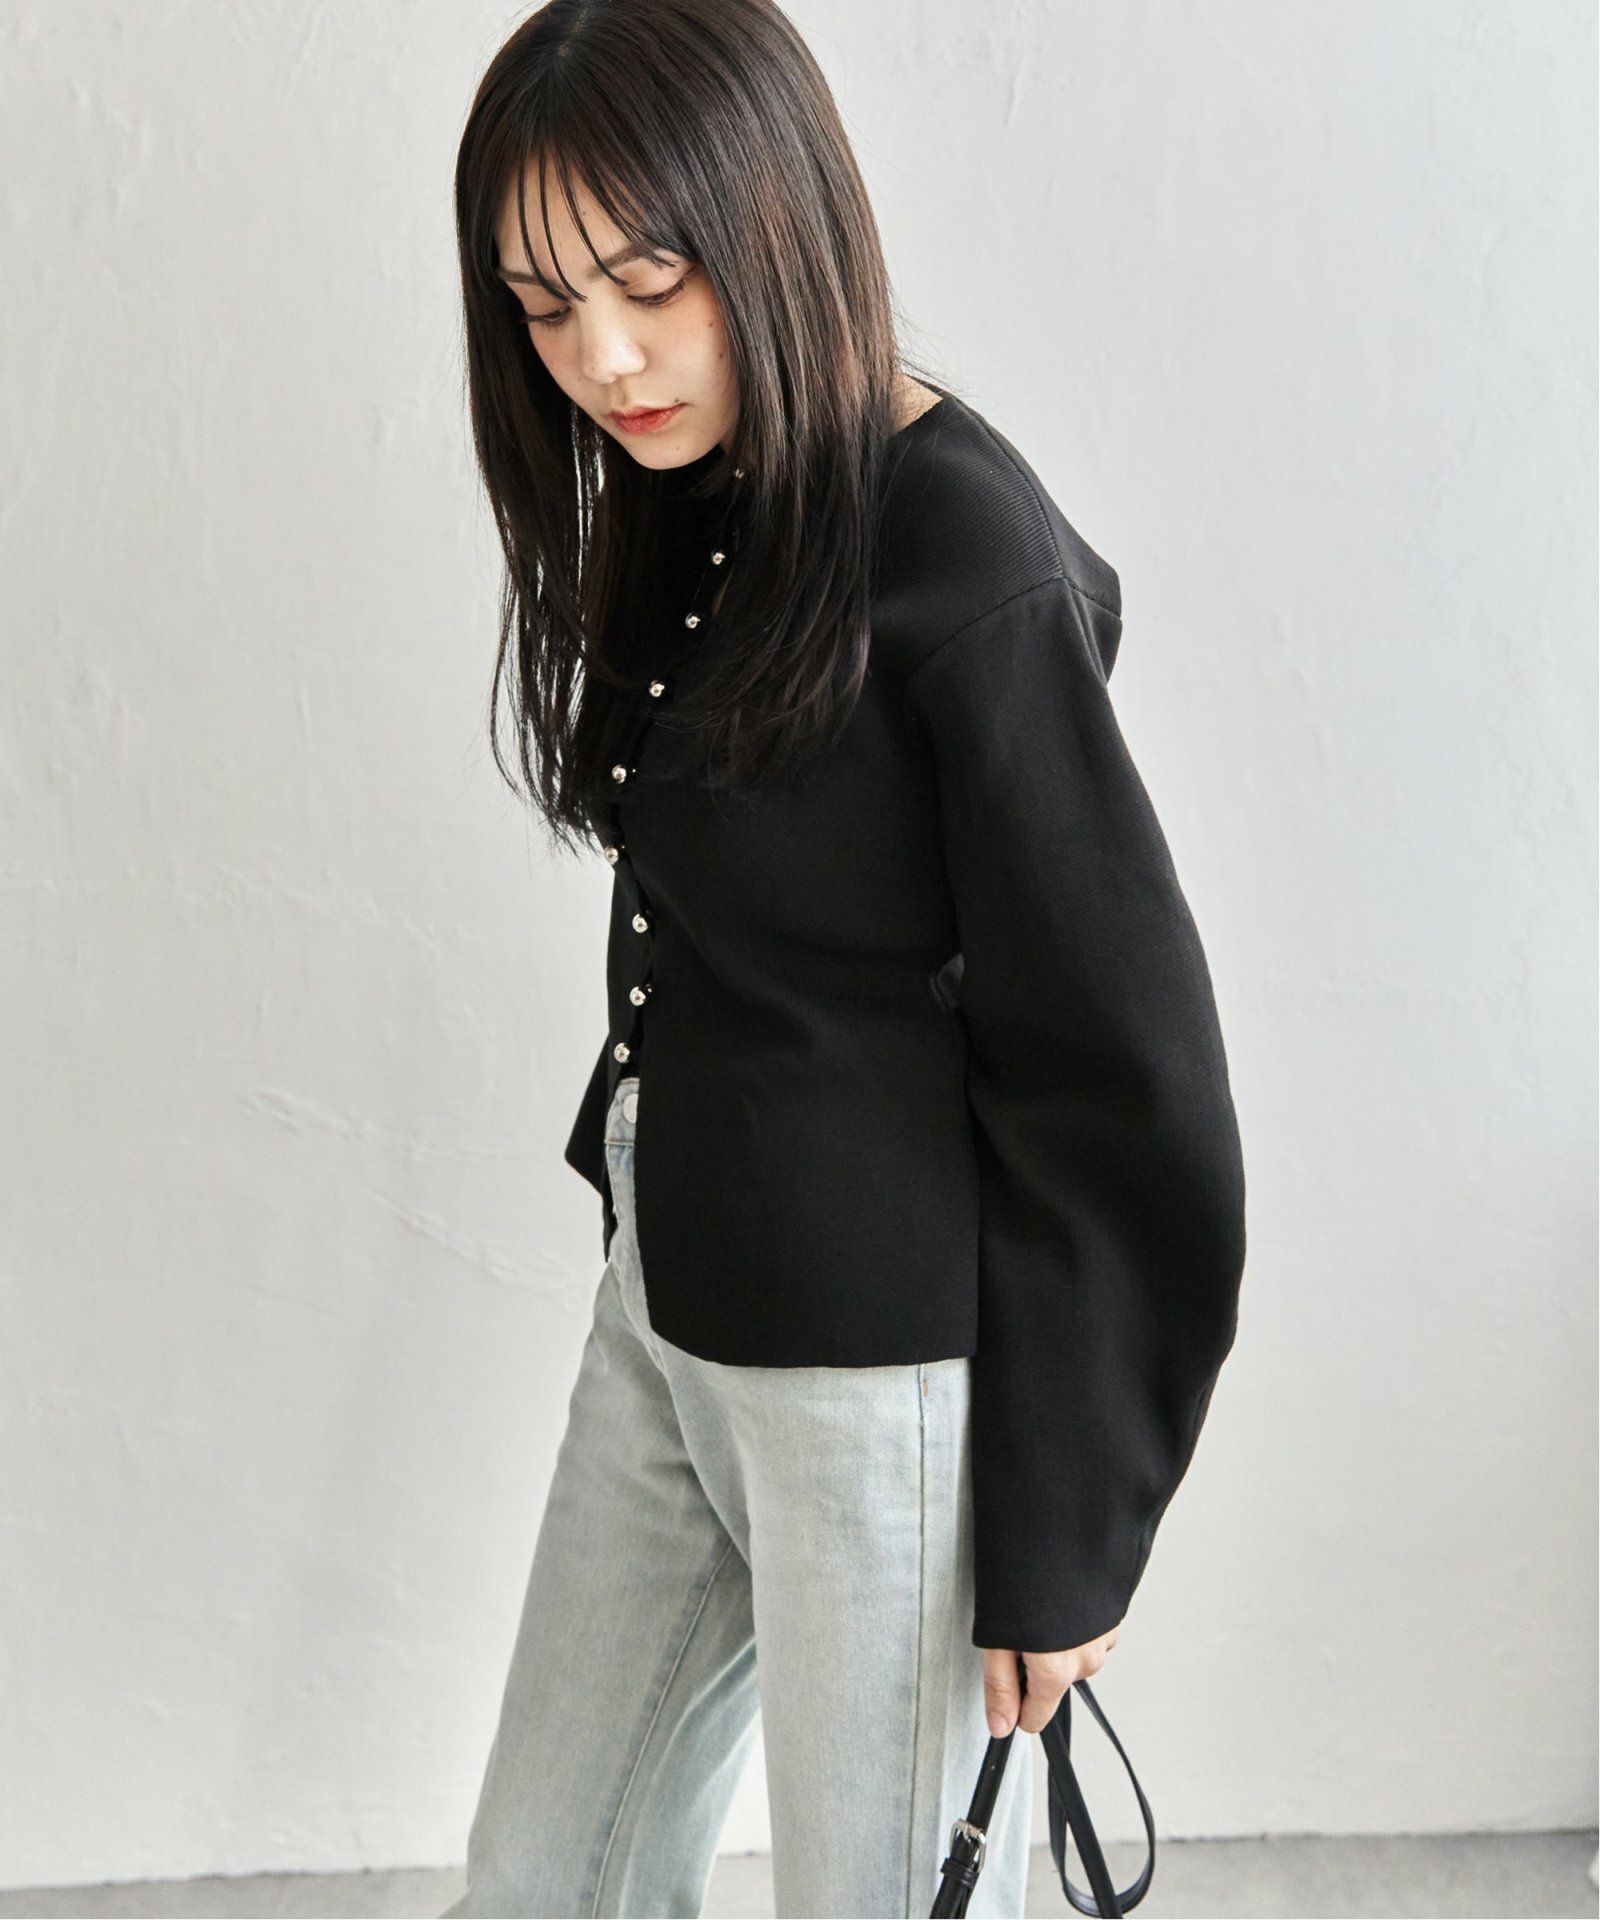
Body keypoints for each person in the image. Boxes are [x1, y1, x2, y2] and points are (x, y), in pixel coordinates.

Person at [443, 2, 1247, 1915]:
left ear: (775, 222)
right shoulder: (695, 486)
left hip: (876, 1382)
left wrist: (1066, 1535)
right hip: (670, 1300)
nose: (603, 357)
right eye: (545, 307)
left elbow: (1126, 1071)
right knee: (539, 1886)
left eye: (650, 282)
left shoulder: (967, 556)